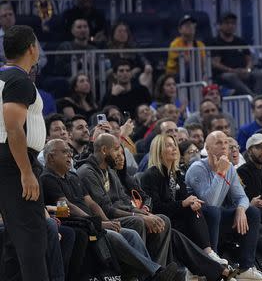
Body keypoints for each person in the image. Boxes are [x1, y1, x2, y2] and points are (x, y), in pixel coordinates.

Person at [40, 138, 181, 281]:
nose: (70, 155)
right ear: (51, 157)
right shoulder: (47, 179)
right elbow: (67, 206)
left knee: (131, 234)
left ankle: (147, 276)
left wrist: (105, 221)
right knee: (119, 233)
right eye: (65, 152)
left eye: (70, 151)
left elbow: (91, 203)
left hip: (94, 223)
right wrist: (97, 223)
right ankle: (154, 273)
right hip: (78, 224)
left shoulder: (72, 176)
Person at [186, 131, 262, 280]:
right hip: (197, 221)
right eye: (219, 143)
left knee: (252, 212)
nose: (224, 146)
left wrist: (240, 209)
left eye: (226, 142)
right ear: (207, 147)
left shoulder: (230, 168)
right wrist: (220, 173)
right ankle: (215, 270)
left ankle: (246, 268)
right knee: (214, 211)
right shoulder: (197, 168)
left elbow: (242, 197)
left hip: (217, 217)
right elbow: (209, 202)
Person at [0, 25, 48, 280]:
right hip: (15, 163)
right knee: (32, 239)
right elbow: (13, 128)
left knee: (13, 241)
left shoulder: (4, 76)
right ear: (32, 47)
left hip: (8, 162)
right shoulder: (19, 80)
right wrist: (26, 171)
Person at [141, 134, 232, 269]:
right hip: (161, 221)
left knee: (197, 209)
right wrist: (184, 203)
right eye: (169, 145)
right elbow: (156, 208)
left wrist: (192, 202)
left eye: (174, 145)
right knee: (192, 212)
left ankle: (210, 254)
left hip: (177, 217)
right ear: (159, 150)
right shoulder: (150, 175)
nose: (174, 148)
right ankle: (209, 257)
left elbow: (184, 197)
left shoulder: (176, 174)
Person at [209, 11, 262, 96]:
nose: (230, 26)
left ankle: (259, 96)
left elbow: (249, 59)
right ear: (220, 25)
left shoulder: (240, 41)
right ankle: (253, 97)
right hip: (225, 74)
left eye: (233, 23)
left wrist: (247, 70)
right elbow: (215, 63)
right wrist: (232, 70)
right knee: (231, 76)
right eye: (227, 23)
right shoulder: (215, 42)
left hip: (243, 71)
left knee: (260, 74)